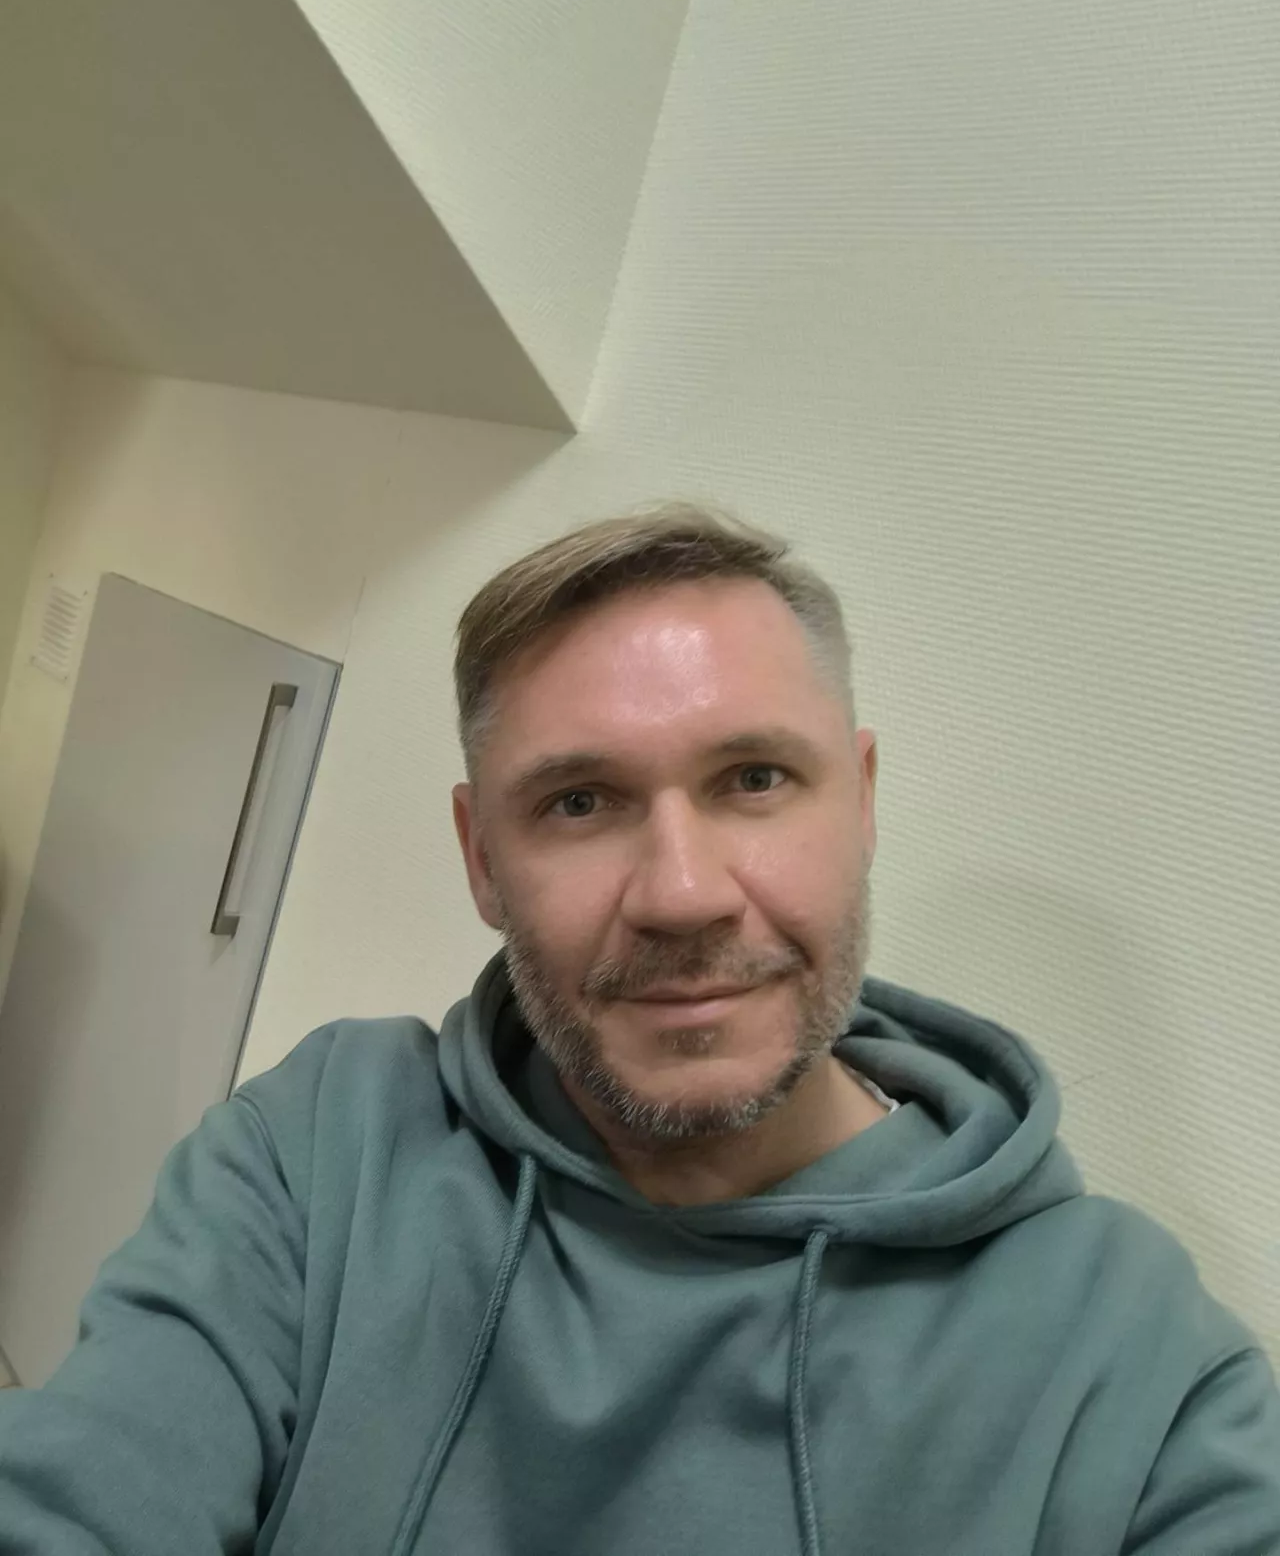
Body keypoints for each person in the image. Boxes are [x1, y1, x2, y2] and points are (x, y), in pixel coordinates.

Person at [0, 505, 1276, 1556]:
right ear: (480, 859)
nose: (680, 894)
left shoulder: (1132, 1367)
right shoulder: (319, 1157)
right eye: (579, 801)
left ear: (861, 801)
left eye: (753, 779)